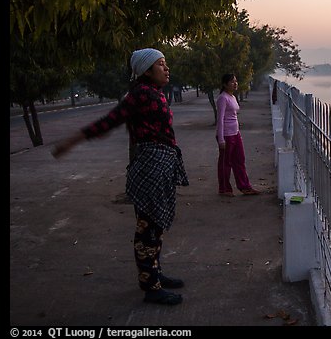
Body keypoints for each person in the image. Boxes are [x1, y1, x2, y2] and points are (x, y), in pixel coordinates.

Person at [51, 48, 188, 305]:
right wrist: (73, 140)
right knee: (147, 226)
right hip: (150, 166)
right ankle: (150, 286)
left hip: (160, 163)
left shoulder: (153, 93)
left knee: (155, 225)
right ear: (147, 71)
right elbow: (109, 121)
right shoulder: (140, 94)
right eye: (161, 64)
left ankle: (154, 273)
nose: (166, 68)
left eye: (165, 64)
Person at [216, 73, 260, 197]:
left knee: (240, 160)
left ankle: (245, 186)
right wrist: (221, 139)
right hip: (226, 135)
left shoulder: (233, 97)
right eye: (232, 82)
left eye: (236, 81)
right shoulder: (222, 98)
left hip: (235, 133)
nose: (235, 83)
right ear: (225, 84)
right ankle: (224, 189)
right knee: (226, 163)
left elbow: (232, 115)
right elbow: (220, 119)